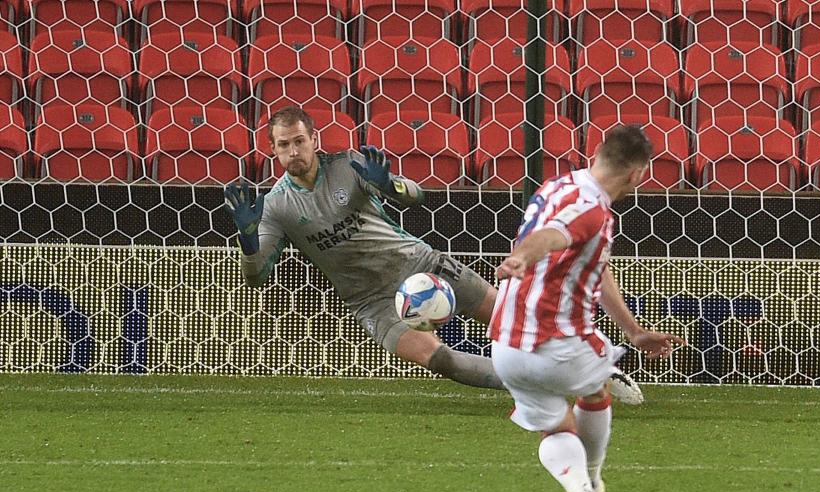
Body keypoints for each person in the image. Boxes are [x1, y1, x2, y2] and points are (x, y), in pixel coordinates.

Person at [224, 105, 646, 402]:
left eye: (299, 141)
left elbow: (416, 196)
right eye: (284, 145)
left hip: (419, 263)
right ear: (272, 149)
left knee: (511, 316)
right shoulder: (275, 207)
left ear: (314, 139)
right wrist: (247, 239)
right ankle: (544, 385)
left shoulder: (348, 165)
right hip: (370, 299)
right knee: (439, 359)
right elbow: (256, 277)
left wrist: (389, 185)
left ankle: (597, 366)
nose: (293, 152)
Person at [489, 124, 685, 492]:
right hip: (557, 344)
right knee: (597, 391)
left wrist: (633, 331)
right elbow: (552, 236)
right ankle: (593, 481)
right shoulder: (592, 210)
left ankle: (577, 488)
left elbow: (592, 264)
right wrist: (522, 257)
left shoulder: (556, 185)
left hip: (506, 346)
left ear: (597, 151)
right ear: (637, 174)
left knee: (557, 427)